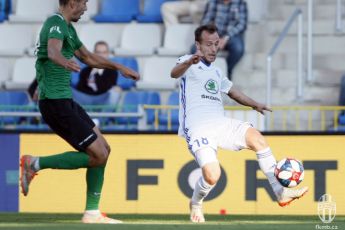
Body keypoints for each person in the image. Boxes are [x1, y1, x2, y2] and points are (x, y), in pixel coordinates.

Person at [171, 24, 308, 223]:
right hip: (198, 128)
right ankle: (196, 203)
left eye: (216, 44)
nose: (214, 48)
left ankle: (280, 192)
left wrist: (255, 105)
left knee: (257, 139)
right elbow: (174, 73)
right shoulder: (186, 62)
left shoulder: (217, 72)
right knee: (212, 176)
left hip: (220, 123)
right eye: (208, 44)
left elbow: (234, 92)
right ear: (198, 45)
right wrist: (189, 62)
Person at [20, 0, 139, 225]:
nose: (85, 7)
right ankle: (34, 163)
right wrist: (64, 62)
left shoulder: (68, 28)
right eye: (84, 2)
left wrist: (119, 67)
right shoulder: (55, 24)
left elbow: (89, 58)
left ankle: (92, 213)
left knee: (104, 150)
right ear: (73, 2)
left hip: (65, 101)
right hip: (55, 103)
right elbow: (54, 50)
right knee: (99, 155)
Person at [201, 0, 248, 80]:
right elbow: (205, 22)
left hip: (232, 36)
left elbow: (242, 24)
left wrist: (226, 38)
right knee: (195, 49)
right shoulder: (213, 2)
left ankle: (227, 70)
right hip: (215, 35)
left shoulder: (241, 3)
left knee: (238, 49)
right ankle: (205, 73)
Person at [73, 41, 121, 105]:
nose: (101, 55)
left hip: (102, 100)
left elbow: (105, 90)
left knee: (115, 91)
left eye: (104, 52)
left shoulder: (112, 71)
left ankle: (104, 115)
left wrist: (97, 71)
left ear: (108, 54)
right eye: (98, 52)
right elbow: (80, 89)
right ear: (94, 53)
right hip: (86, 99)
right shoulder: (85, 70)